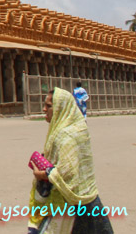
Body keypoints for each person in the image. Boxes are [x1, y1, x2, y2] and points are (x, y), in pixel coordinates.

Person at [27, 88, 114, 233]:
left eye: (49, 105)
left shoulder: (66, 135)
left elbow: (66, 173)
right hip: (90, 197)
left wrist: (41, 174)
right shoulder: (79, 128)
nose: (44, 109)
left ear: (61, 107)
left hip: (71, 205)